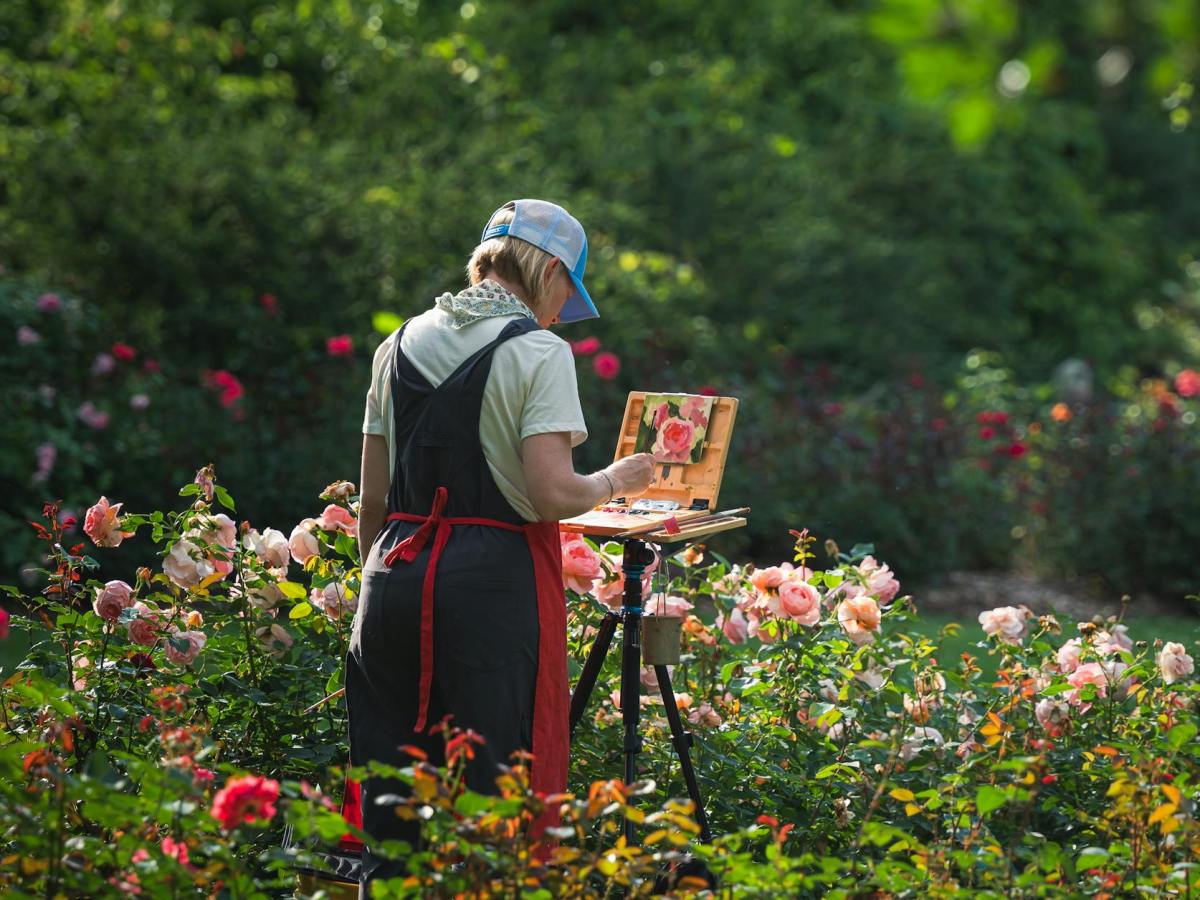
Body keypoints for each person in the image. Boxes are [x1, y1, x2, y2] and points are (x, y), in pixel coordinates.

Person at [348, 198, 655, 891]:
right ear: (548, 271)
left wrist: (377, 591)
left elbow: (373, 502)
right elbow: (552, 494)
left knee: (390, 797)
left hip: (390, 575)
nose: (561, 313)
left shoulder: (396, 344)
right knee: (496, 795)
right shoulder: (538, 351)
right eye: (567, 291)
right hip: (488, 586)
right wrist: (617, 478)